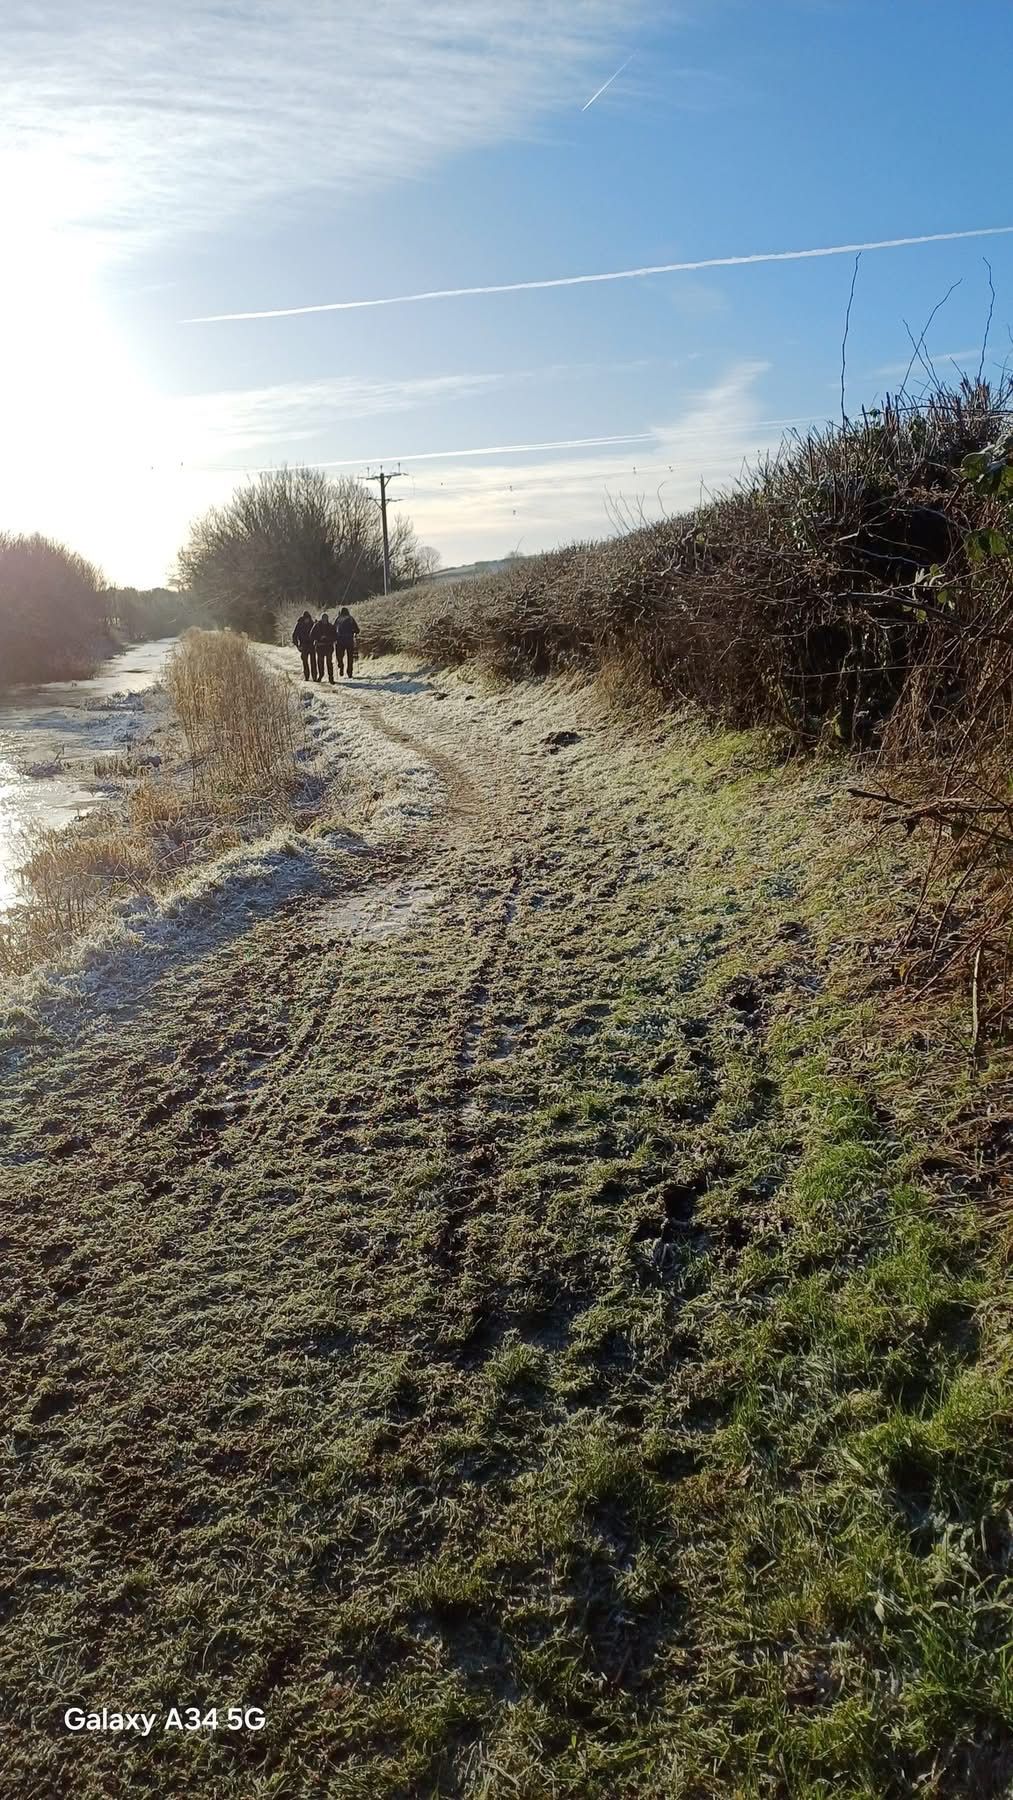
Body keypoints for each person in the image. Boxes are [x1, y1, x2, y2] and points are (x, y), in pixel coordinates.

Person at [311, 611, 337, 684]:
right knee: (320, 663)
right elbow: (311, 635)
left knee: (329, 663)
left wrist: (328, 638)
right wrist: (319, 637)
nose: (325, 620)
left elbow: (335, 636)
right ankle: (321, 675)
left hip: (328, 647)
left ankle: (331, 678)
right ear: (321, 619)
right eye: (323, 618)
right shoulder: (317, 626)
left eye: (326, 618)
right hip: (320, 647)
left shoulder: (331, 626)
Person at [335, 606, 361, 679]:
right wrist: (353, 632)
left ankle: (341, 666)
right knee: (350, 657)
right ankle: (349, 672)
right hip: (349, 640)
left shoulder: (338, 619)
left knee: (339, 656)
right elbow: (357, 630)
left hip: (340, 641)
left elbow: (333, 629)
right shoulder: (351, 619)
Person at [292, 610, 315, 680]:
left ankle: (314, 677)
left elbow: (317, 633)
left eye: (308, 619)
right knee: (305, 661)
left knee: (313, 661)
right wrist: (297, 645)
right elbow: (294, 635)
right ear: (303, 618)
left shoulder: (312, 624)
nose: (307, 620)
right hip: (303, 645)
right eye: (306, 619)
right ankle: (307, 676)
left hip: (312, 645)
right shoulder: (299, 625)